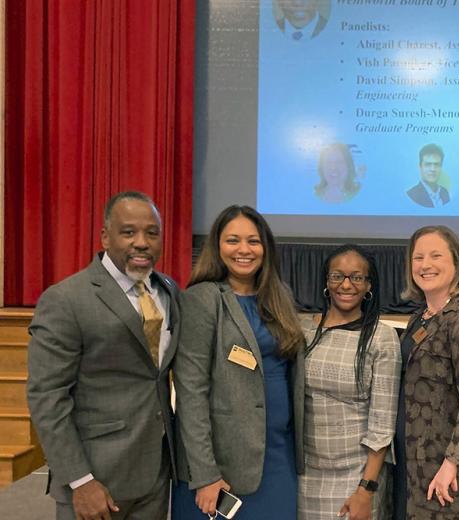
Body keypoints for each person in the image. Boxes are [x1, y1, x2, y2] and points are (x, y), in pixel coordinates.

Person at [27, 191, 179, 520]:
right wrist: (80, 481)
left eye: (152, 233)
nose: (142, 242)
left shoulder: (168, 290)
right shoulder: (66, 299)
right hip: (96, 481)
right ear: (105, 236)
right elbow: (46, 397)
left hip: (156, 475)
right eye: (128, 232)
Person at [172, 205, 305, 519]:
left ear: (265, 248)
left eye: (253, 241)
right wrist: (204, 474)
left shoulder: (279, 296)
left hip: (277, 457)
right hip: (221, 466)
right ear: (217, 246)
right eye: (233, 240)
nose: (244, 250)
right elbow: (191, 393)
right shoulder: (203, 299)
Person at [393, 225, 459, 520]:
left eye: (436, 256)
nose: (425, 265)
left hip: (447, 466)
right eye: (418, 257)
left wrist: (452, 461)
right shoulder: (418, 318)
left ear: (456, 262)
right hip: (412, 463)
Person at [299, 244, 401, 519]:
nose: (346, 285)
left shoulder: (382, 338)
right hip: (305, 477)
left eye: (356, 277)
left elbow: (382, 424)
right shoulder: (304, 332)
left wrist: (366, 489)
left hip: (357, 477)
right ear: (326, 282)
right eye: (337, 276)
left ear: (369, 285)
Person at [406, 143, 451, 208]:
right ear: (420, 167)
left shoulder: (445, 193)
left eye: (436, 164)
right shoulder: (411, 195)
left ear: (441, 167)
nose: (432, 169)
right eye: (428, 164)